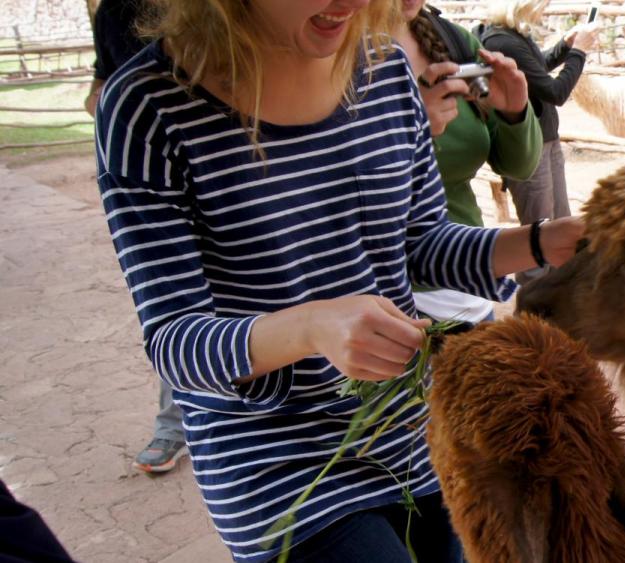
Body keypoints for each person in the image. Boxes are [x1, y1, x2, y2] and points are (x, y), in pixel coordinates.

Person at [93, 1, 583, 561]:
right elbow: (175, 343)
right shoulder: (150, 108)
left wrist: (543, 241)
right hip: (276, 464)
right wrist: (309, 329)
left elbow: (421, 245)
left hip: (410, 432)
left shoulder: (387, 73)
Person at [86, 0, 188, 474]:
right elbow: (100, 89)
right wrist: (118, 114)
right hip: (161, 179)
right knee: (177, 303)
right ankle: (173, 425)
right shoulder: (115, 13)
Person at [396, 0, 544, 323]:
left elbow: (519, 166)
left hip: (468, 279)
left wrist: (515, 112)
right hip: (385, 302)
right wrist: (412, 128)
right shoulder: (323, 58)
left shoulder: (454, 42)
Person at [480, 0, 599, 284]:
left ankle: (557, 295)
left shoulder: (513, 35)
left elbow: (537, 68)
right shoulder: (501, 40)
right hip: (527, 147)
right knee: (537, 233)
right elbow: (555, 91)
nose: (543, 11)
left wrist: (565, 45)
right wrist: (579, 51)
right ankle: (533, 302)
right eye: (541, 5)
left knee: (559, 221)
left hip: (546, 139)